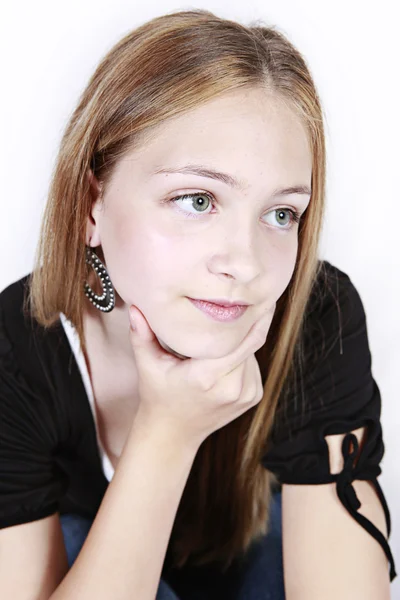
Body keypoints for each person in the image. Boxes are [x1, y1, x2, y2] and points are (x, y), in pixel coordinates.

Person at [0, 8, 396, 600]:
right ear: (91, 205)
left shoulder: (316, 313)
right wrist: (167, 433)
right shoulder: (15, 351)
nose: (245, 262)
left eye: (281, 213)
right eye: (196, 200)